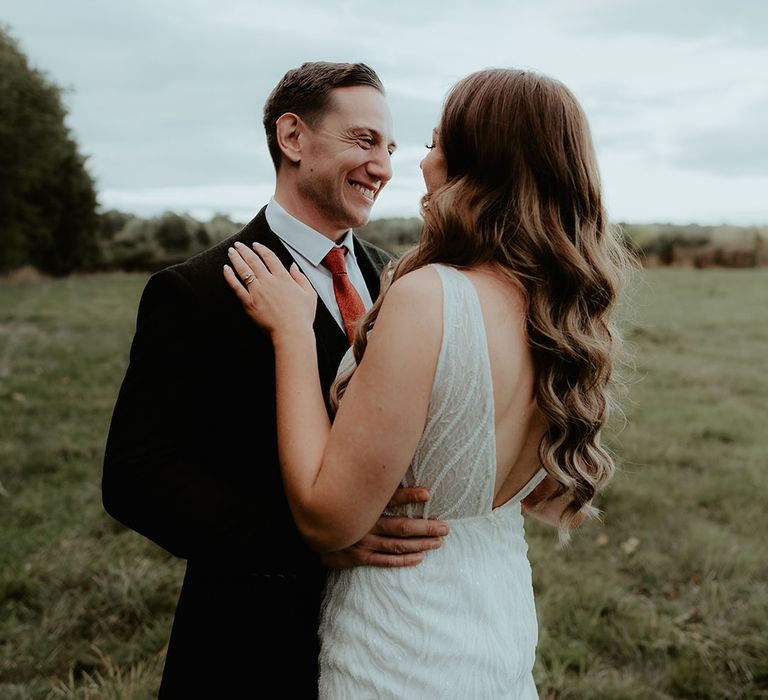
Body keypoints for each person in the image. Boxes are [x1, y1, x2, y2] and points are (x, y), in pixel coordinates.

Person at [224, 68, 631, 698]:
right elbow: (536, 494)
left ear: (478, 160)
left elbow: (327, 520)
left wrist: (293, 336)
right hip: (496, 621)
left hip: (402, 638)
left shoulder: (429, 296)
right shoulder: (561, 312)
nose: (418, 165)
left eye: (436, 145)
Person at [101, 61, 449, 699]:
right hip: (249, 641)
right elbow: (135, 478)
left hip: (391, 637)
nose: (384, 168)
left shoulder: (398, 283)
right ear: (293, 138)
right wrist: (311, 541)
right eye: (363, 141)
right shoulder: (194, 291)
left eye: (391, 148)